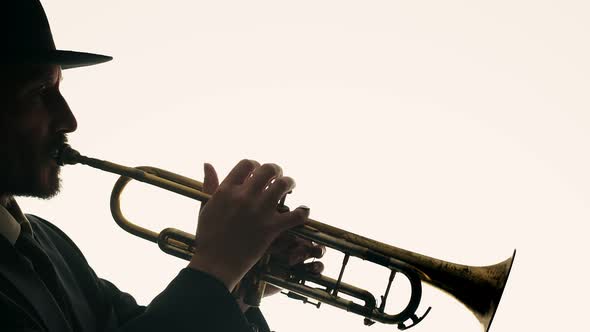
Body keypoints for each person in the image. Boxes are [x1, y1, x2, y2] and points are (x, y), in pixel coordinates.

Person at [0, 1, 324, 331]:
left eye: (58, 88)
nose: (69, 121)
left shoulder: (48, 241)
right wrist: (216, 267)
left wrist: (236, 286)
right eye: (39, 91)